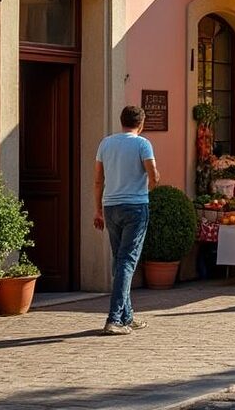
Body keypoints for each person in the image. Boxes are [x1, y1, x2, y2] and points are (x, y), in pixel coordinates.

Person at [93, 106, 159, 336]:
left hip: (111, 207)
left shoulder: (106, 143)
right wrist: (147, 189)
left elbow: (98, 180)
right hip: (135, 207)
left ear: (121, 121)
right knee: (127, 261)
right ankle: (114, 319)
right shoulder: (143, 144)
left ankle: (126, 316)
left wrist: (98, 210)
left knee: (120, 260)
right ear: (141, 124)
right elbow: (154, 175)